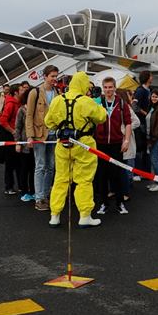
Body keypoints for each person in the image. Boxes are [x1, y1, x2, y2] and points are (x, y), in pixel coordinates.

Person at [44, 71, 108, 228]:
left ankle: (55, 215)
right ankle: (85, 216)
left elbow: (49, 123)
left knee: (60, 179)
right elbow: (102, 117)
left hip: (63, 144)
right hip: (84, 144)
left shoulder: (58, 100)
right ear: (83, 84)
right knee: (84, 180)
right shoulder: (87, 101)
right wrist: (96, 103)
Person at [93, 77, 132, 215]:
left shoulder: (121, 103)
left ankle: (120, 203)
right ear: (103, 88)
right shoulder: (98, 103)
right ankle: (104, 203)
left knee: (118, 175)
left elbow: (128, 123)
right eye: (106, 87)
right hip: (101, 144)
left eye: (111, 87)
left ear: (115, 88)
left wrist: (126, 140)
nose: (108, 90)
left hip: (116, 144)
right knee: (102, 176)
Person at [26, 65, 59, 212]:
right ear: (45, 76)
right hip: (39, 134)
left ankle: (46, 195)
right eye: (52, 76)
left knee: (51, 166)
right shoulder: (35, 92)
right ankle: (39, 198)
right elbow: (29, 115)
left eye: (56, 76)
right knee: (40, 165)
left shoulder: (57, 93)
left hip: (53, 134)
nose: (54, 79)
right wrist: (29, 136)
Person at [0, 86, 21, 196]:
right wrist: (13, 131)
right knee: (10, 163)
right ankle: (9, 186)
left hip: (15, 136)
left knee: (18, 162)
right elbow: (3, 121)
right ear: (15, 93)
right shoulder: (11, 104)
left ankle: (18, 185)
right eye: (22, 90)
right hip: (9, 137)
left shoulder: (17, 103)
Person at [13, 86, 35, 202]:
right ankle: (24, 191)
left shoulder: (37, 109)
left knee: (34, 169)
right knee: (24, 169)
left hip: (36, 145)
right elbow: (17, 127)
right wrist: (18, 142)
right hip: (24, 144)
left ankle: (33, 191)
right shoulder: (22, 110)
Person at [133, 71, 152, 180]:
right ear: (147, 77)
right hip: (141, 124)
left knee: (146, 149)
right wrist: (145, 113)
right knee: (140, 148)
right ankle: (137, 173)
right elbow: (134, 105)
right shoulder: (140, 91)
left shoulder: (149, 90)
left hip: (147, 123)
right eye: (151, 75)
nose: (152, 77)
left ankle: (145, 173)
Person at [146, 90, 158, 193]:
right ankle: (156, 181)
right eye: (152, 96)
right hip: (151, 138)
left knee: (155, 160)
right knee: (154, 160)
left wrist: (152, 140)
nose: (154, 98)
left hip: (156, 139)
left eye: (156, 97)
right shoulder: (152, 108)